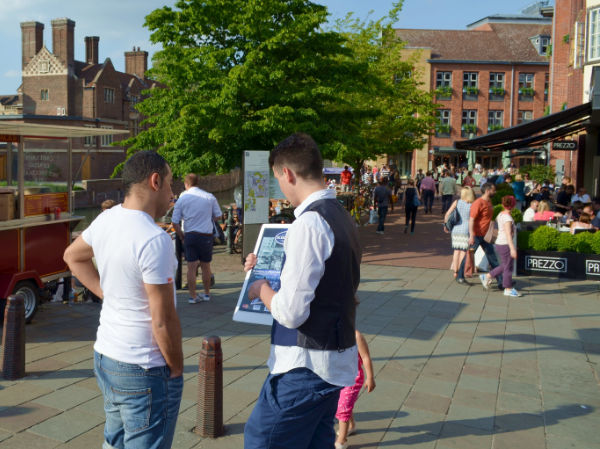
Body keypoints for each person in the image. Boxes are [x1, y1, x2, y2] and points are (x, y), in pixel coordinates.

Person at [243, 133, 361, 449]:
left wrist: (261, 287)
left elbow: (291, 312)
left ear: (289, 174)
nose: (280, 188)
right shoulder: (340, 215)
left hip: (306, 364)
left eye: (277, 180)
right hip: (334, 360)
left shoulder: (308, 224)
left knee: (261, 440)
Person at [63, 151, 183, 449]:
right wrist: (177, 367)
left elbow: (72, 256)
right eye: (170, 184)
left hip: (106, 354)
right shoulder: (155, 239)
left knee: (114, 441)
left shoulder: (108, 218)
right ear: (155, 181)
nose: (172, 193)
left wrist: (107, 293)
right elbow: (162, 320)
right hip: (143, 365)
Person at [172, 173, 222, 303]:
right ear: (198, 182)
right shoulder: (209, 197)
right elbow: (218, 215)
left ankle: (192, 296)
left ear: (186, 184)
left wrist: (181, 235)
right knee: (206, 266)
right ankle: (206, 294)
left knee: (191, 267)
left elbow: (174, 222)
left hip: (190, 235)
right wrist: (207, 218)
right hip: (206, 236)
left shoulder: (182, 199)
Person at [334, 329, 375, 449]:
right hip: (336, 376)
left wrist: (370, 378)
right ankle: (351, 425)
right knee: (342, 405)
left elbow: (366, 357)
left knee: (343, 407)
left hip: (353, 378)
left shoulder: (356, 336)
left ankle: (342, 440)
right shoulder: (332, 332)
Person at [456, 183, 501, 287]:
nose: (495, 192)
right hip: (476, 235)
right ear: (487, 190)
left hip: (485, 236)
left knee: (492, 258)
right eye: (493, 190)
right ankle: (460, 276)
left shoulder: (488, 202)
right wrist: (471, 235)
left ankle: (501, 281)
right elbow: (471, 220)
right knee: (468, 256)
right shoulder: (478, 203)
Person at [481, 195, 522, 297]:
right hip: (505, 244)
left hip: (501, 242)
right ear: (513, 205)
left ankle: (487, 276)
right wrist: (512, 248)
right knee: (508, 267)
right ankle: (508, 288)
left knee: (505, 265)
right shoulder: (508, 218)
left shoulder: (500, 214)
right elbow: (508, 234)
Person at [445, 186, 474, 279]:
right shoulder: (472, 205)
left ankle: (455, 271)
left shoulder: (457, 202)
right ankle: (461, 271)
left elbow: (447, 214)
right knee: (463, 251)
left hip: (456, 229)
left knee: (456, 251)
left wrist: (446, 225)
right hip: (466, 229)